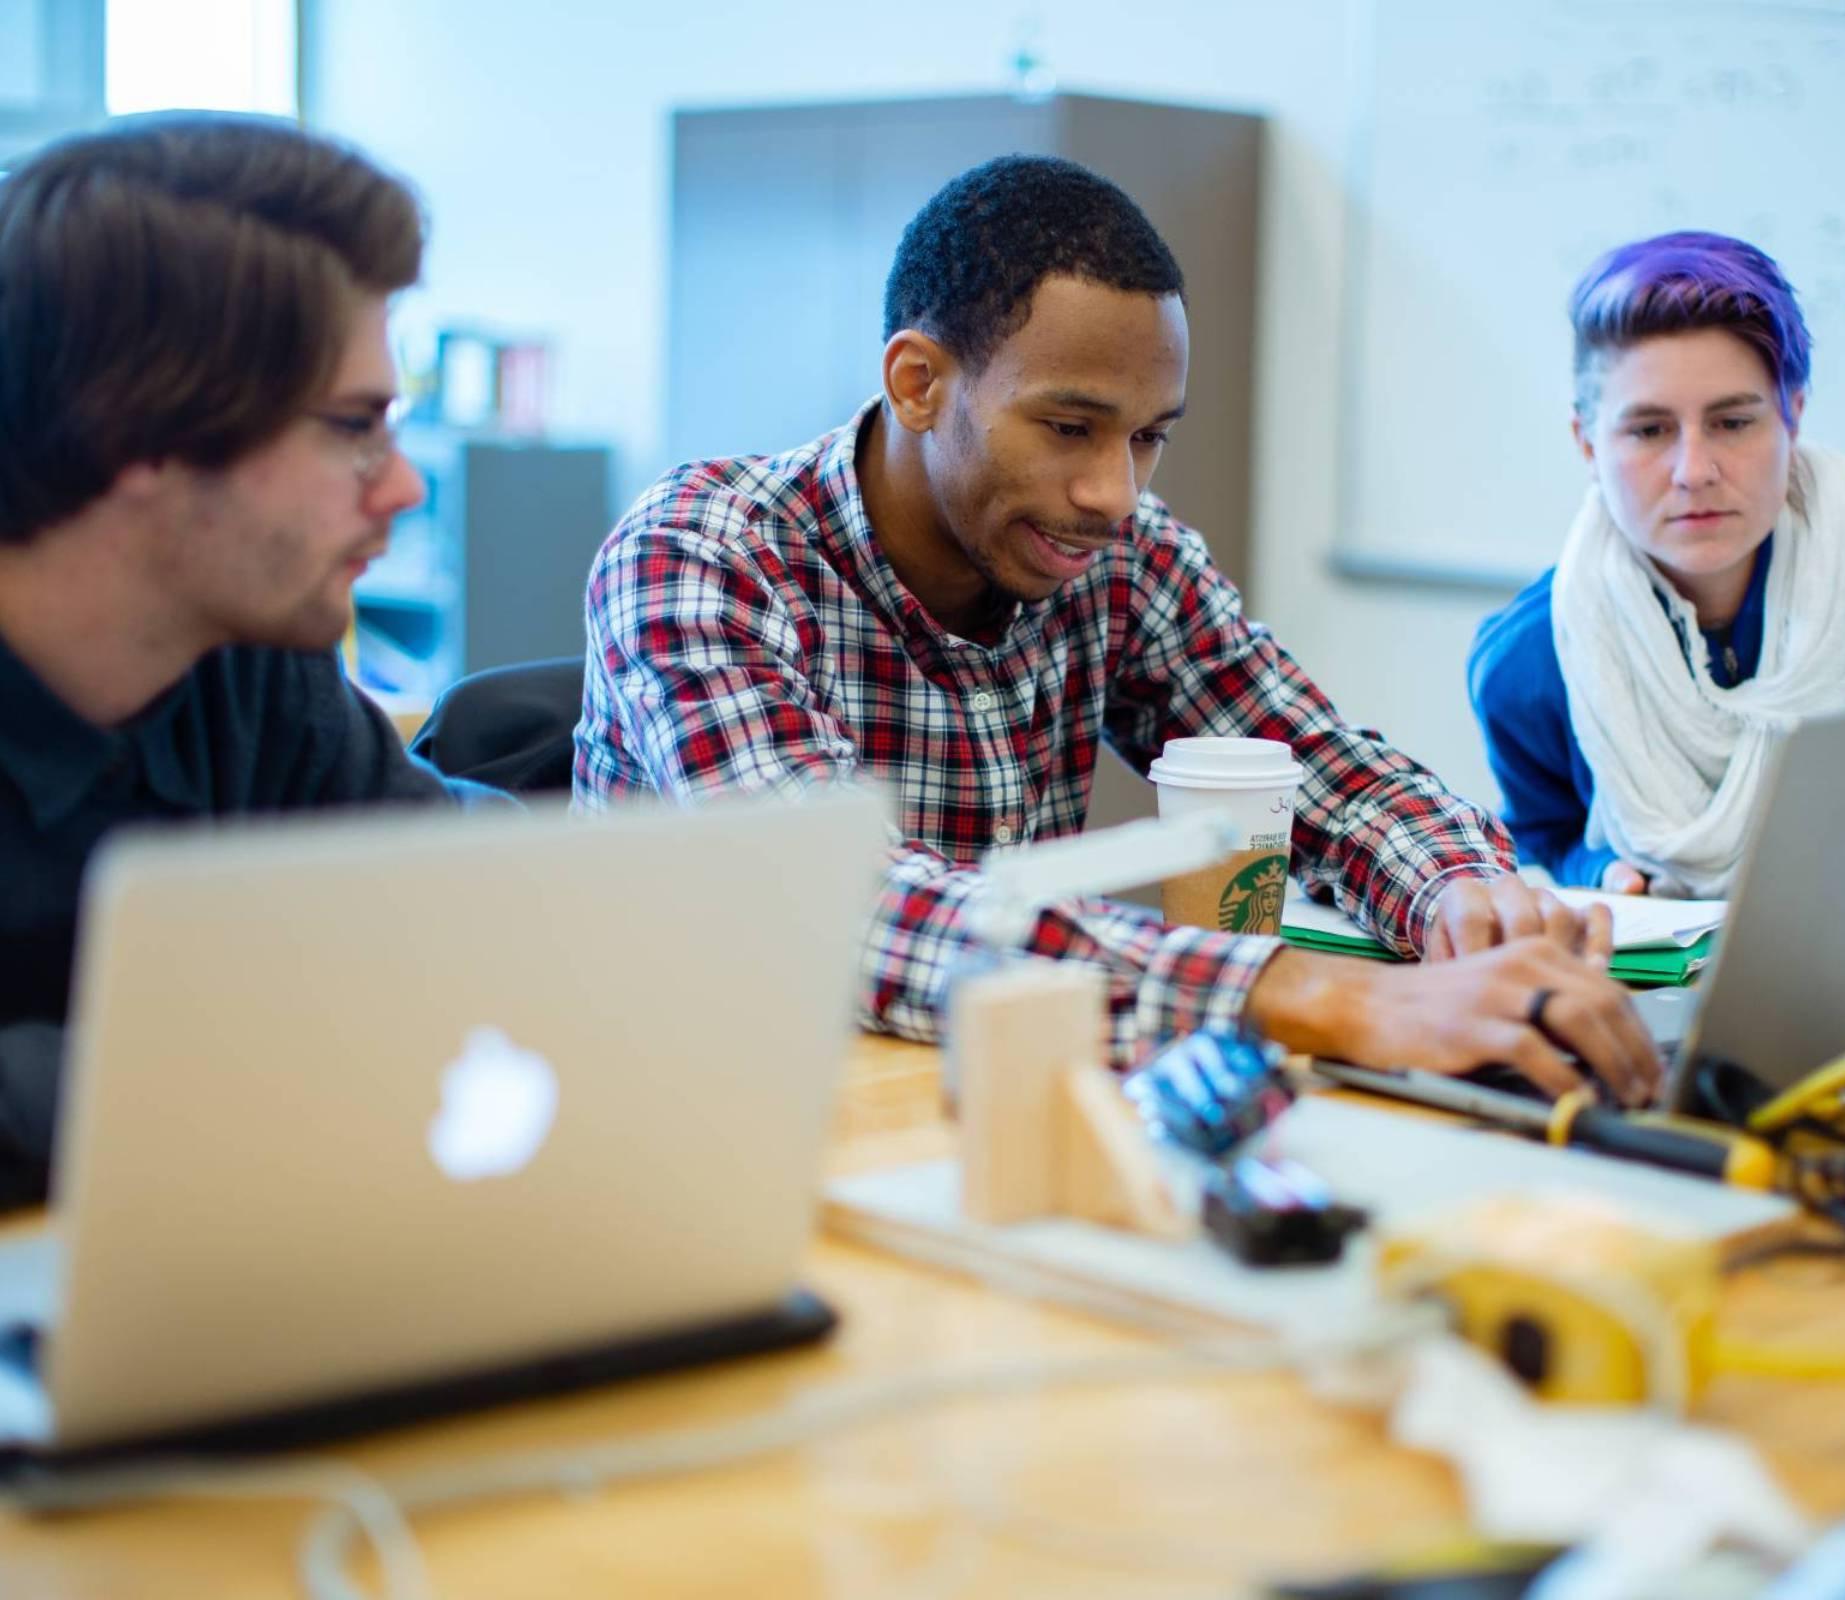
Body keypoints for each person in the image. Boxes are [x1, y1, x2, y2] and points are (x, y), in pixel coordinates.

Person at [577, 154, 1659, 1105]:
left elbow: (1326, 772)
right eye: (1068, 426)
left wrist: (1464, 901)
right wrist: (1330, 999)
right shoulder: (700, 552)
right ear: (916, 382)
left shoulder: (1120, 557)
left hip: (982, 1102)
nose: (1110, 491)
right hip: (702, 1112)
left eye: (1147, 438)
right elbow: (836, 907)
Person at [0, 114, 471, 1208]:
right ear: (140, 431)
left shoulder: (249, 652)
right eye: (356, 425)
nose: (401, 486)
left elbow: (448, 921)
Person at [1471, 232, 1845, 898]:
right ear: (1587, 442)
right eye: (1649, 430)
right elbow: (1546, 833)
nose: (1694, 472)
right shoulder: (1526, 660)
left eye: (1732, 422)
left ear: (1793, 415)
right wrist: (1600, 870)